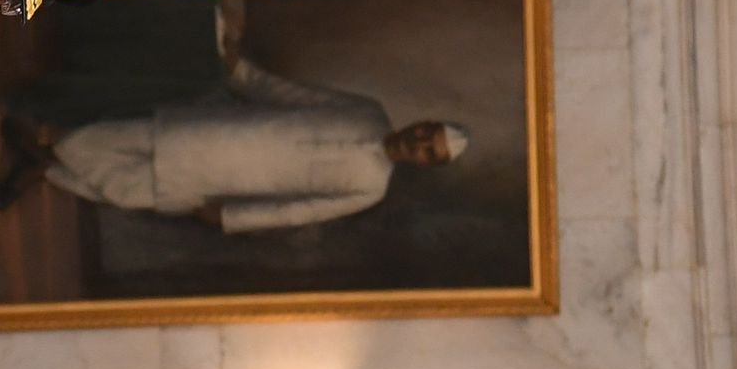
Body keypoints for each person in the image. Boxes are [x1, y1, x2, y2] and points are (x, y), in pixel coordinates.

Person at [31, 97, 471, 231]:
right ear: (421, 121)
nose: (417, 143)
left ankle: (46, 169)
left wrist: (233, 217)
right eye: (425, 133)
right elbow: (292, 93)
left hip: (232, 181)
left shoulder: (371, 188)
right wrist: (241, 71)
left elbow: (299, 212)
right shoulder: (368, 111)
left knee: (125, 190)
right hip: (221, 133)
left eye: (428, 152)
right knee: (118, 137)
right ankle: (50, 145)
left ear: (425, 165)